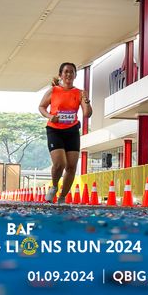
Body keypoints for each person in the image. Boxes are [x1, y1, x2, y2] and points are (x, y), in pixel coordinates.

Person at [39, 62, 92, 203]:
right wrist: (50, 116)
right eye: (66, 71)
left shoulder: (80, 93)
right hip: (55, 130)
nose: (68, 74)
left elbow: (87, 114)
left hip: (72, 131)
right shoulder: (53, 91)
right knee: (59, 164)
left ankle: (62, 197)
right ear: (60, 75)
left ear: (75, 75)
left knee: (71, 166)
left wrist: (87, 101)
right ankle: (54, 186)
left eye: (71, 72)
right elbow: (42, 107)